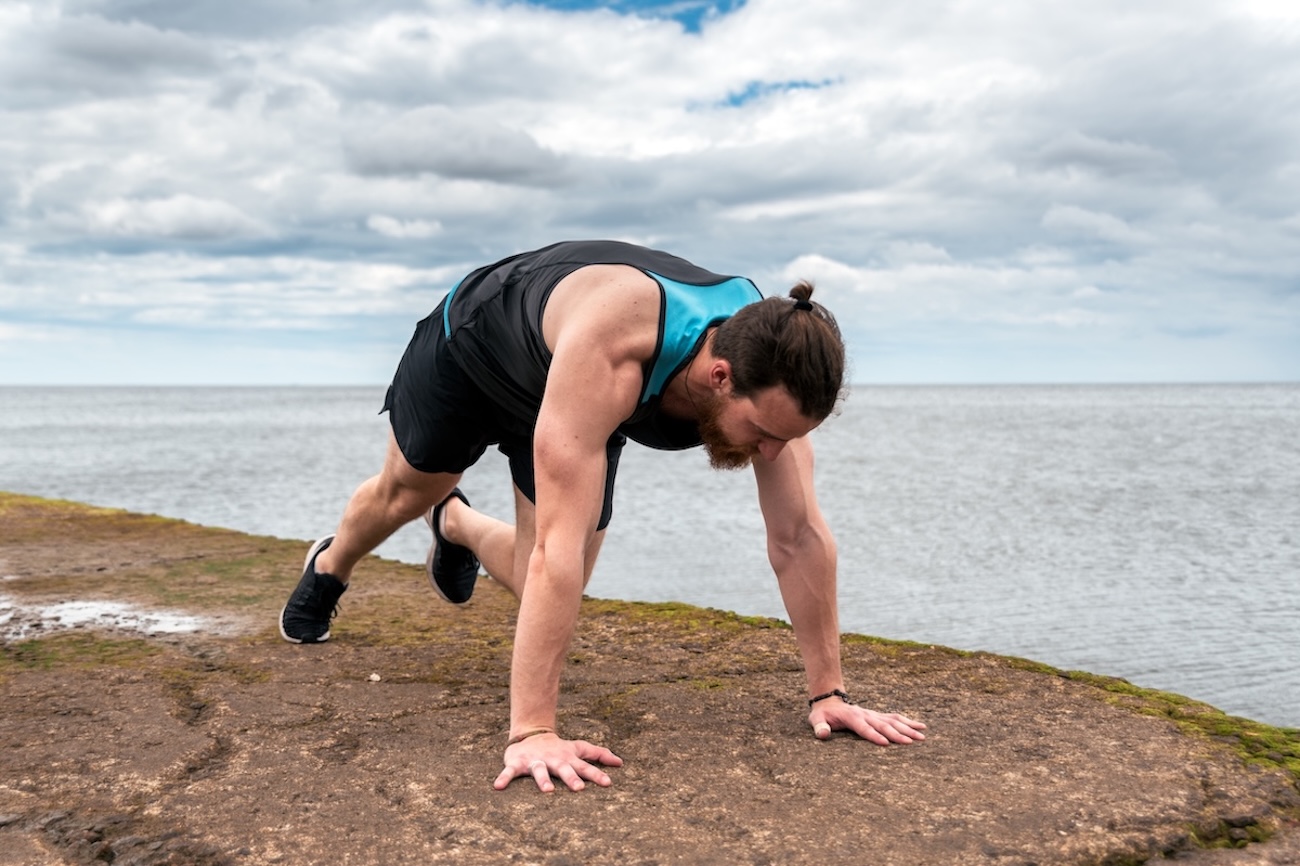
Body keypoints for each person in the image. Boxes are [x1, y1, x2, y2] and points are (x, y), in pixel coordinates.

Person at [279, 239, 926, 793]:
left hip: (564, 390)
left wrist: (829, 694)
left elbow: (799, 536)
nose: (772, 453)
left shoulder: (774, 364)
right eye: (763, 433)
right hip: (474, 347)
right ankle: (332, 564)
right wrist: (533, 732)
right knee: (409, 491)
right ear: (720, 376)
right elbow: (555, 549)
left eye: (789, 437)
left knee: (549, 584)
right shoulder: (616, 351)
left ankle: (456, 526)